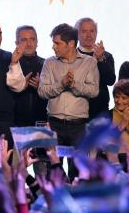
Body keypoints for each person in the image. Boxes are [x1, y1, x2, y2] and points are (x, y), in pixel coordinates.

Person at [38, 23, 99, 180]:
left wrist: (73, 84)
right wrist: (61, 84)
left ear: (71, 43)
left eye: (57, 43)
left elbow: (93, 91)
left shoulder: (89, 62)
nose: (53, 47)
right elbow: (42, 92)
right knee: (52, 171)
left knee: (77, 172)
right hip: (54, 125)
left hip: (78, 127)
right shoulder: (49, 63)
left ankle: (76, 203)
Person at [75, 17, 116, 119]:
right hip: (76, 111)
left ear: (96, 33)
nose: (88, 35)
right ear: (77, 34)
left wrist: (101, 60)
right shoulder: (72, 55)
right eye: (84, 31)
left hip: (100, 111)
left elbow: (111, 80)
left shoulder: (107, 56)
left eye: (92, 31)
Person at [13, 25, 47, 126]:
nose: (29, 44)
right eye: (24, 40)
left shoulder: (47, 64)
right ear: (16, 43)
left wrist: (41, 87)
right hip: (15, 122)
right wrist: (19, 86)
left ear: (37, 42)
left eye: (32, 39)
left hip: (42, 121)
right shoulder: (11, 64)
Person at [109, 79, 129, 171]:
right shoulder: (107, 116)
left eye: (124, 98)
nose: (119, 101)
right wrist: (123, 122)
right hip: (113, 161)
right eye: (117, 97)